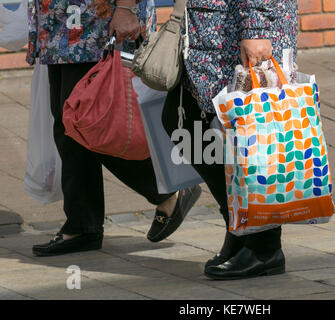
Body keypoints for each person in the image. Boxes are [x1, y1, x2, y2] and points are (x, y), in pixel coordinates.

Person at [27, 0, 201, 257]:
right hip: (62, 24)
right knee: (69, 129)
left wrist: (126, 8)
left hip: (96, 21)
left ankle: (167, 191)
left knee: (92, 123)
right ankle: (82, 224)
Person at [162, 0, 298, 279]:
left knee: (256, 134)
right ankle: (239, 226)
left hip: (241, 29)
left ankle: (264, 246)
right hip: (214, 30)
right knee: (186, 121)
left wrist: (256, 27)